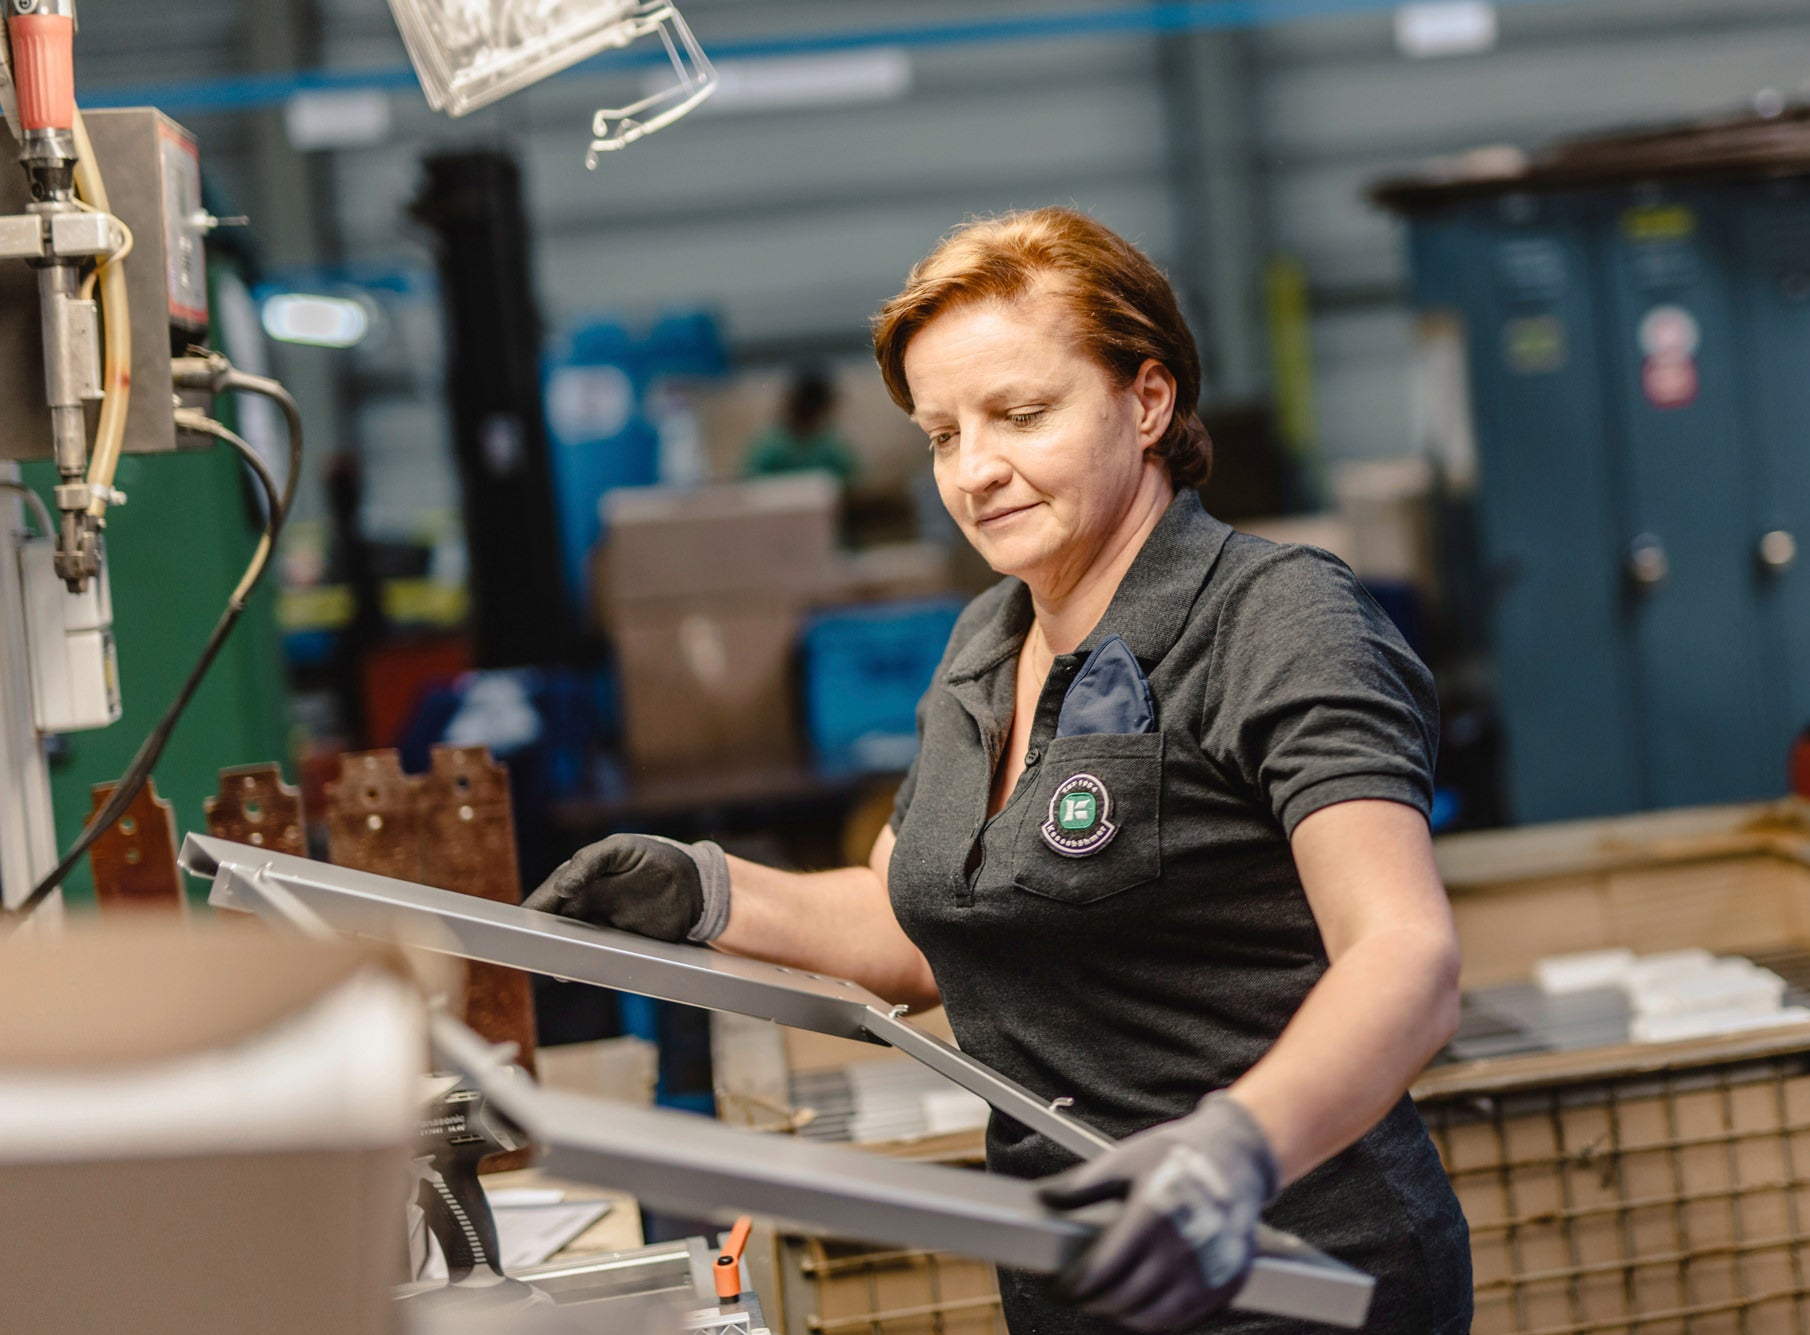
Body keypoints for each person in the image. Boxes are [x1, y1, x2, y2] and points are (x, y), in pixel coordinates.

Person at [528, 207, 1473, 1333]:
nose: (975, 471)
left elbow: (1405, 956)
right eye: (941, 434)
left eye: (1020, 416)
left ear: (1148, 400)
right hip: (1076, 1279)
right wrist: (703, 892)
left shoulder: (1276, 620)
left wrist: (1233, 1151)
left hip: (1285, 1267)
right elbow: (908, 924)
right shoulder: (988, 636)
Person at [740, 365, 858, 483]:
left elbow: (852, 481)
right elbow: (750, 483)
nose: (808, 410)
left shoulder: (831, 447)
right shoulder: (772, 447)